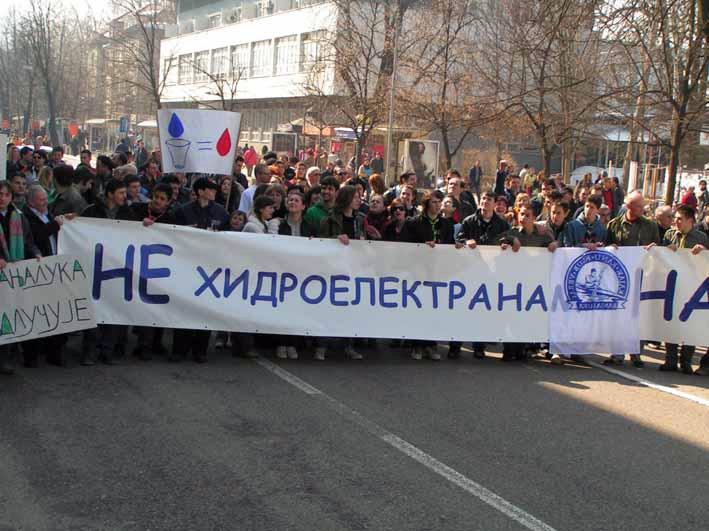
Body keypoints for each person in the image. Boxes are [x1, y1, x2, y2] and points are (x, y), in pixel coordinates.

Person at [645, 205, 707, 373]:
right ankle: (670, 359)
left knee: (690, 324)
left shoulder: (701, 237)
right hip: (672, 285)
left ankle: (686, 361)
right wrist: (662, 250)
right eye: (675, 218)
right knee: (670, 321)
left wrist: (704, 251)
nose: (676, 222)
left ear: (690, 220)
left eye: (679, 219)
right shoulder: (669, 234)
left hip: (693, 287)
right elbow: (660, 256)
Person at [173, 178, 228, 363]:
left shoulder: (221, 212)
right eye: (211, 189)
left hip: (211, 268)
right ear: (201, 191)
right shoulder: (183, 210)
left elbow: (230, 239)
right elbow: (171, 234)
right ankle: (179, 349)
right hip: (187, 266)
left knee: (205, 309)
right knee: (184, 309)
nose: (214, 192)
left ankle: (201, 350)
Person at [450, 191, 510, 359]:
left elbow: (510, 240)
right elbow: (459, 239)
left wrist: (506, 244)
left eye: (489, 199)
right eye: (483, 199)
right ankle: (455, 346)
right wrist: (465, 242)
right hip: (469, 272)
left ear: (494, 203)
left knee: (483, 312)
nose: (485, 202)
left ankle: (479, 346)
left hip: (490, 273)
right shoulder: (469, 221)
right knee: (462, 311)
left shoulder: (502, 225)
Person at [604, 190, 660, 367]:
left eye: (643, 205)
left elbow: (658, 247)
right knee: (618, 315)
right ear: (628, 206)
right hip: (619, 278)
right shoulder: (614, 225)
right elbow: (606, 246)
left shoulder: (650, 226)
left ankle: (636, 353)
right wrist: (610, 247)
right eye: (638, 206)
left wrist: (654, 248)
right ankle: (617, 353)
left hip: (641, 276)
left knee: (638, 316)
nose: (642, 208)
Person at [402, 189, 459, 360]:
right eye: (434, 202)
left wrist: (456, 246)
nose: (437, 205)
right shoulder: (413, 222)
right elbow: (404, 246)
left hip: (438, 272)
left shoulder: (447, 224)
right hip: (418, 272)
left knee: (434, 309)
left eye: (439, 202)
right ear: (426, 203)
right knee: (419, 309)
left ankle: (431, 344)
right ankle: (416, 345)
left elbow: (449, 246)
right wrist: (421, 247)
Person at [22, 184, 74, 366]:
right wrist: (55, 225)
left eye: (46, 199)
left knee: (56, 313)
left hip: (54, 270)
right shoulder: (25, 217)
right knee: (35, 313)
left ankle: (54, 352)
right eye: (41, 200)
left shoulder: (46, 213)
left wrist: (64, 222)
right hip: (37, 271)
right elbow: (35, 237)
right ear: (31, 202)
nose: (45, 202)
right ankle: (31, 355)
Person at [499, 205, 558, 361]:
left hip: (533, 282)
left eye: (527, 215)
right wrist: (510, 240)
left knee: (526, 315)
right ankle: (509, 349)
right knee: (512, 316)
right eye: (521, 214)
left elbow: (555, 246)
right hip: (513, 281)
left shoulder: (543, 235)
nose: (523, 218)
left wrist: (555, 245)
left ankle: (523, 349)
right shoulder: (512, 232)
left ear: (533, 218)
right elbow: (497, 240)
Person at [317, 185, 366, 361]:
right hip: (334, 269)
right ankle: (322, 345)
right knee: (330, 308)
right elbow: (320, 243)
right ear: (346, 199)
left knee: (351, 308)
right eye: (355, 197)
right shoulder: (329, 219)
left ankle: (348, 345)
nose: (359, 200)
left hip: (353, 269)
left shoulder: (360, 219)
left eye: (359, 197)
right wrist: (335, 240)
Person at [0, 180, 42, 374]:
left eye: (6, 195)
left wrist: (35, 253)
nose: (2, 198)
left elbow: (28, 242)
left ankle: (5, 358)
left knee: (8, 316)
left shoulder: (18, 216)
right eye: (0, 194)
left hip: (12, 273)